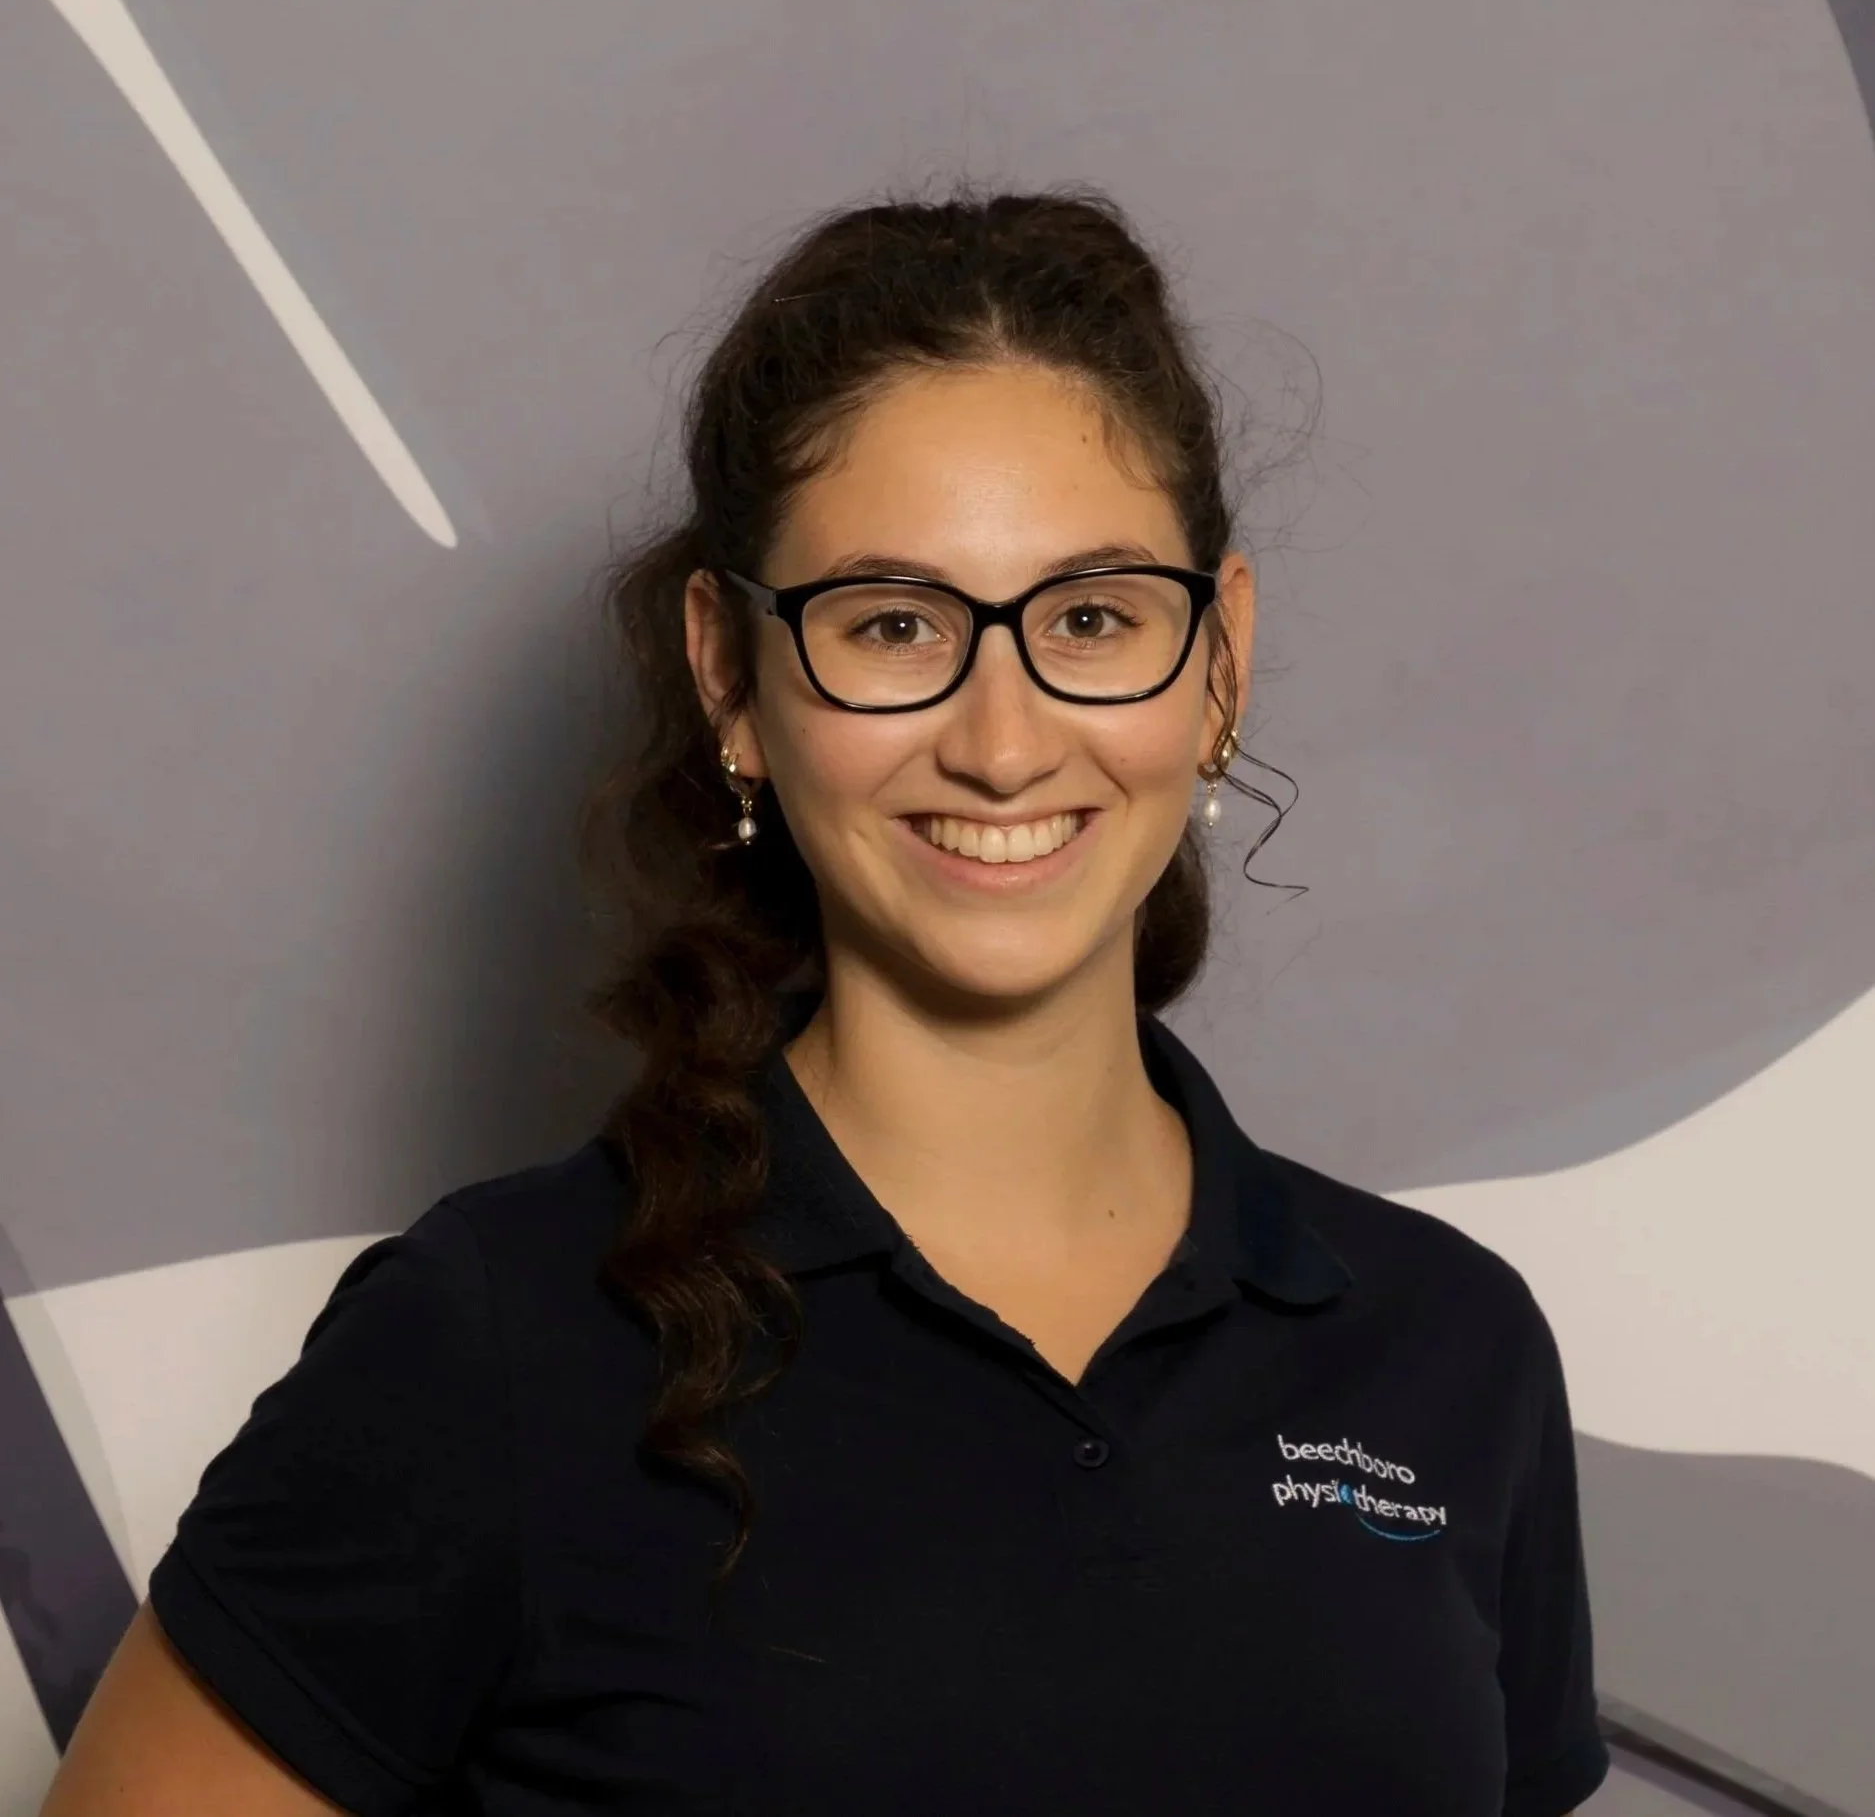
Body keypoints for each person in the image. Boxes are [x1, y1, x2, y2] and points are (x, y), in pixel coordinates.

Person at [40, 184, 1610, 1816]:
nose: (1001, 740)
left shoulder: (1444, 1346)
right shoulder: (494, 1343)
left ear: (1216, 660)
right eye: (890, 624)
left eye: (1088, 618)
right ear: (730, 675)